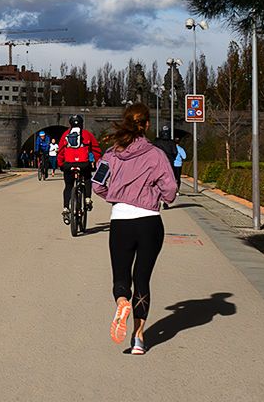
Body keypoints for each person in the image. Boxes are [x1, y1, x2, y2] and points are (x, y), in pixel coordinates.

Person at [92, 102, 178, 356]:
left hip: (121, 221)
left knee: (121, 277)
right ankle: (139, 338)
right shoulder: (156, 154)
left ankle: (121, 302)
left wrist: (116, 195)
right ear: (147, 125)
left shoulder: (111, 154)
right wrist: (159, 196)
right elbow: (170, 189)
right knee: (142, 278)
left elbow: (97, 184)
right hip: (149, 221)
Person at [57, 114, 102, 224]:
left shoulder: (65, 135)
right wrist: (95, 162)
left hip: (68, 164)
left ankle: (66, 208)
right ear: (82, 124)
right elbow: (96, 150)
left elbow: (61, 151)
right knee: (87, 178)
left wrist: (61, 164)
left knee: (68, 186)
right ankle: (87, 199)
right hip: (84, 164)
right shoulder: (87, 134)